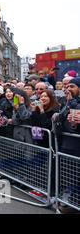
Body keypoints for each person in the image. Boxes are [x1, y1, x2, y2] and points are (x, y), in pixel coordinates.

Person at [52, 77, 80, 213]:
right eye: (67, 87)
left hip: (75, 146)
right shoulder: (70, 102)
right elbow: (60, 119)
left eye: (72, 87)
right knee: (69, 174)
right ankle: (69, 201)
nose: (68, 89)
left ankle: (72, 203)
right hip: (67, 145)